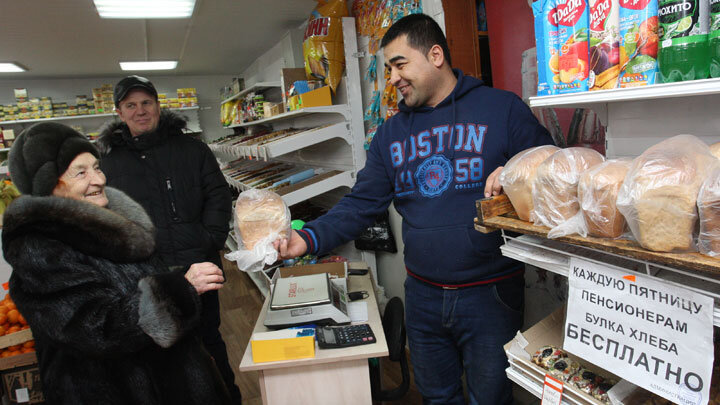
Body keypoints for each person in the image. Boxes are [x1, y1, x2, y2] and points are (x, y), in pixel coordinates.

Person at [275, 14, 554, 405]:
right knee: (437, 398)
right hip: (423, 296)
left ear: (435, 55)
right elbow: (361, 203)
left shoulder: (501, 108)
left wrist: (516, 171)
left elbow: (552, 167)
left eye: (399, 64)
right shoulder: (391, 134)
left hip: (490, 295)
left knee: (491, 399)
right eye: (388, 69)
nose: (392, 78)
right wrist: (306, 238)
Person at [2, 122, 231, 404]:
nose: (98, 179)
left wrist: (179, 282)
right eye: (81, 173)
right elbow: (95, 328)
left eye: (96, 167)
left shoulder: (111, 225)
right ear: (49, 184)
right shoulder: (38, 246)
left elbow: (132, 287)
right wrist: (178, 291)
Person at [97, 75, 242, 403]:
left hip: (198, 263)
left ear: (158, 106)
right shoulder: (108, 162)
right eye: (131, 105)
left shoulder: (192, 149)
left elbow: (218, 195)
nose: (140, 111)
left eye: (146, 103)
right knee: (158, 348)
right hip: (147, 275)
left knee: (208, 340)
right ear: (119, 112)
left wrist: (210, 238)